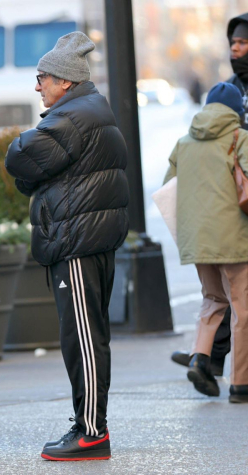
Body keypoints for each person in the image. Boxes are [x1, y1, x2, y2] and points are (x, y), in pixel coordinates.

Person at [5, 32, 129, 461]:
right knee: (86, 336)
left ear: (65, 80)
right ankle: (88, 424)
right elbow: (35, 172)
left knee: (83, 339)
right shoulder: (88, 111)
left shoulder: (72, 118)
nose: (37, 86)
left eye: (42, 77)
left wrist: (23, 155)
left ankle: (92, 432)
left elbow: (18, 157)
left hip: (77, 242)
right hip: (86, 238)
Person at [170, 12, 248, 375]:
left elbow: (172, 182)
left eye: (242, 43)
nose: (236, 49)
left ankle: (205, 358)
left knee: (216, 297)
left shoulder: (188, 137)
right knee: (237, 301)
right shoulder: (233, 96)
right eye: (233, 43)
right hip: (234, 217)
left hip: (201, 229)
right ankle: (230, 374)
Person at [163, 82, 248, 403]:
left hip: (197, 238)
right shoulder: (241, 138)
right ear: (236, 111)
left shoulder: (184, 143)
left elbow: (167, 188)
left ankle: (200, 358)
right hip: (234, 237)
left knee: (213, 300)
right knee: (242, 308)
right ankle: (241, 384)